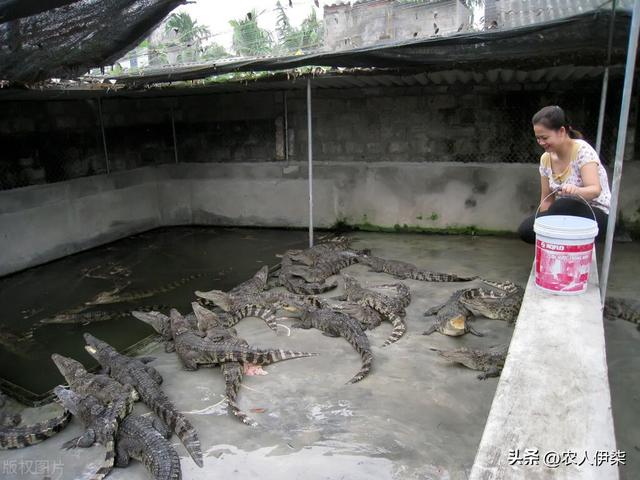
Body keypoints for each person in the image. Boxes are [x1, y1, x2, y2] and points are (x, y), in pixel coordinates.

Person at [518, 105, 611, 244]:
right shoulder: (545, 158)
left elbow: (595, 190)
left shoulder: (582, 151)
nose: (541, 143)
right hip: (563, 215)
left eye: (544, 137)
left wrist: (577, 191)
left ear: (561, 131)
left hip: (595, 214)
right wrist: (543, 224)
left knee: (562, 205)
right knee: (527, 229)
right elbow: (546, 200)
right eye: (538, 138)